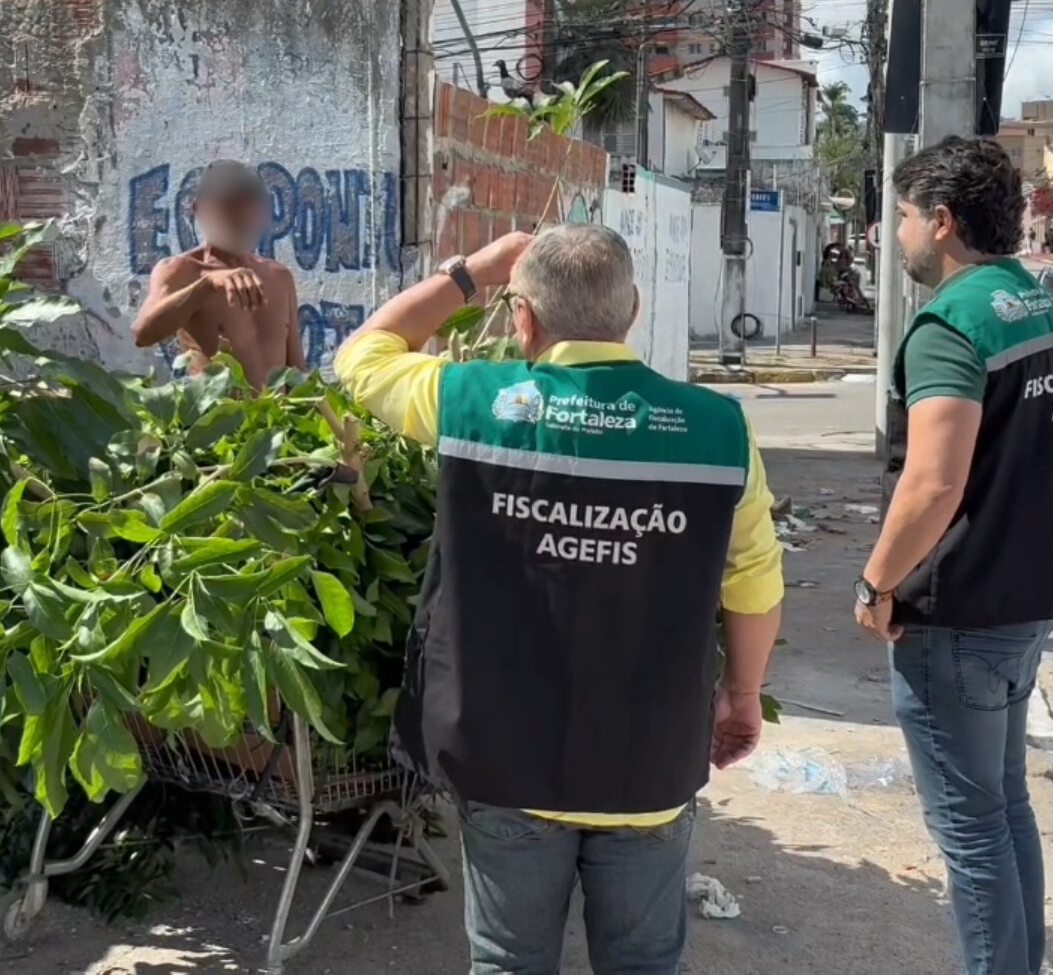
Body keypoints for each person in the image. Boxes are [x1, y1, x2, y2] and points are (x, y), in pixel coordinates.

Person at [334, 225, 785, 975]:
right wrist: (742, 695)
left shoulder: (470, 400)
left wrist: (471, 271)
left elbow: (361, 358)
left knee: (510, 961)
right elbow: (754, 582)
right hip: (650, 761)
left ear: (524, 319)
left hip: (506, 758)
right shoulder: (717, 430)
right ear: (633, 311)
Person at [857, 136, 1053, 975]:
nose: (898, 235)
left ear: (943, 222)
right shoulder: (1036, 303)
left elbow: (934, 482)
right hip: (1029, 595)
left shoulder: (952, 321)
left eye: (906, 218)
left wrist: (875, 580)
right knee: (1004, 807)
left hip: (962, 607)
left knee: (969, 826)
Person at [129, 159, 305, 383]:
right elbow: (142, 334)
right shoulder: (180, 270)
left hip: (277, 417)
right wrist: (207, 285)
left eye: (248, 206)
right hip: (217, 416)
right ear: (198, 210)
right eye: (227, 207)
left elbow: (297, 372)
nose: (240, 217)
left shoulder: (279, 277)